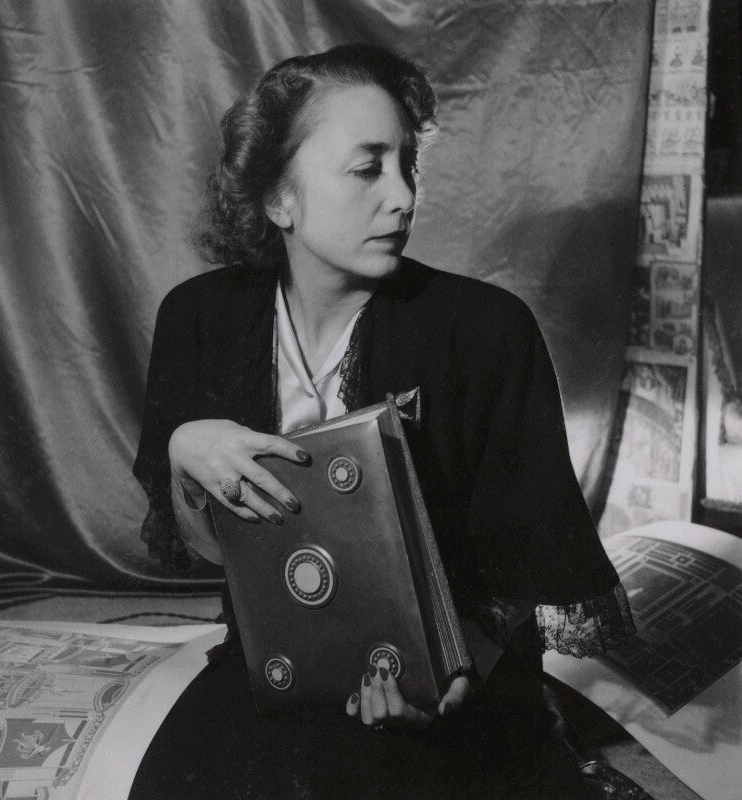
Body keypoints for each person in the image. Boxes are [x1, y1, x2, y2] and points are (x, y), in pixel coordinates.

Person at [132, 43, 634, 799]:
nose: (402, 197)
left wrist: (448, 677)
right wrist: (184, 450)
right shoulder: (198, 319)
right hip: (280, 663)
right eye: (367, 169)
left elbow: (517, 570)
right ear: (278, 200)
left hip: (458, 672)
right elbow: (210, 550)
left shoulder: (485, 330)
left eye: (408, 165)